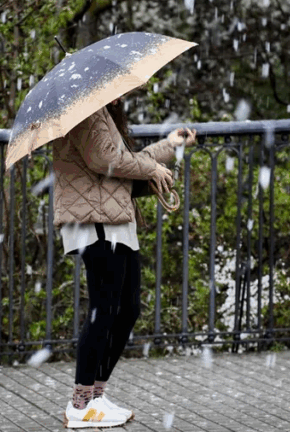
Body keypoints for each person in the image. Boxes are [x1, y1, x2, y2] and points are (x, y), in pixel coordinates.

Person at [52, 96, 196, 429]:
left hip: (114, 220)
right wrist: (152, 168)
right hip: (96, 223)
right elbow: (104, 159)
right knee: (103, 310)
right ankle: (80, 405)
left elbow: (125, 161)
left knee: (128, 308)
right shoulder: (84, 110)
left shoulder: (102, 113)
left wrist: (168, 146)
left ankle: (96, 397)